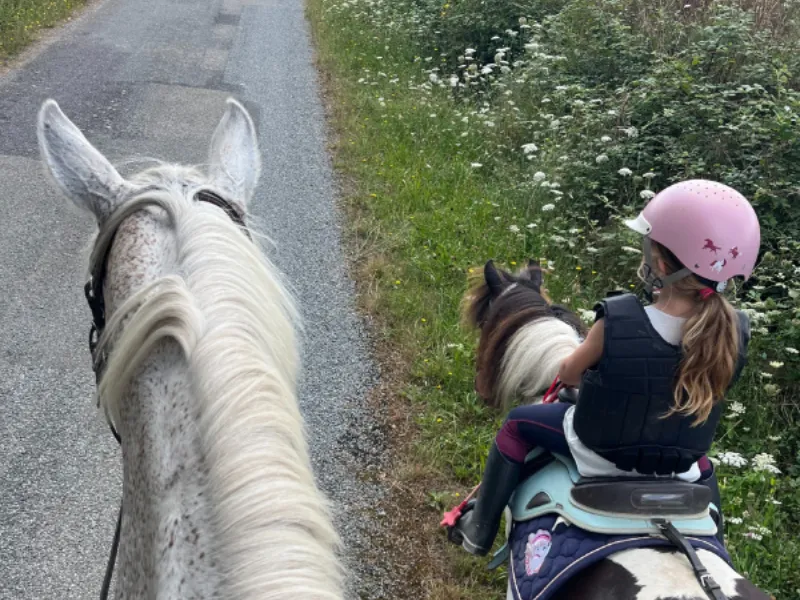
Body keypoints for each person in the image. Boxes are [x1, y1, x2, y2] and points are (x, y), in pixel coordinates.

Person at [447, 180, 760, 556]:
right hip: (680, 461)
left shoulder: (617, 319)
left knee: (515, 426)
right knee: (704, 469)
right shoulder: (735, 331)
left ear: (660, 264)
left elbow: (568, 374)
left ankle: (478, 529)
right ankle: (717, 548)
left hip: (600, 450)